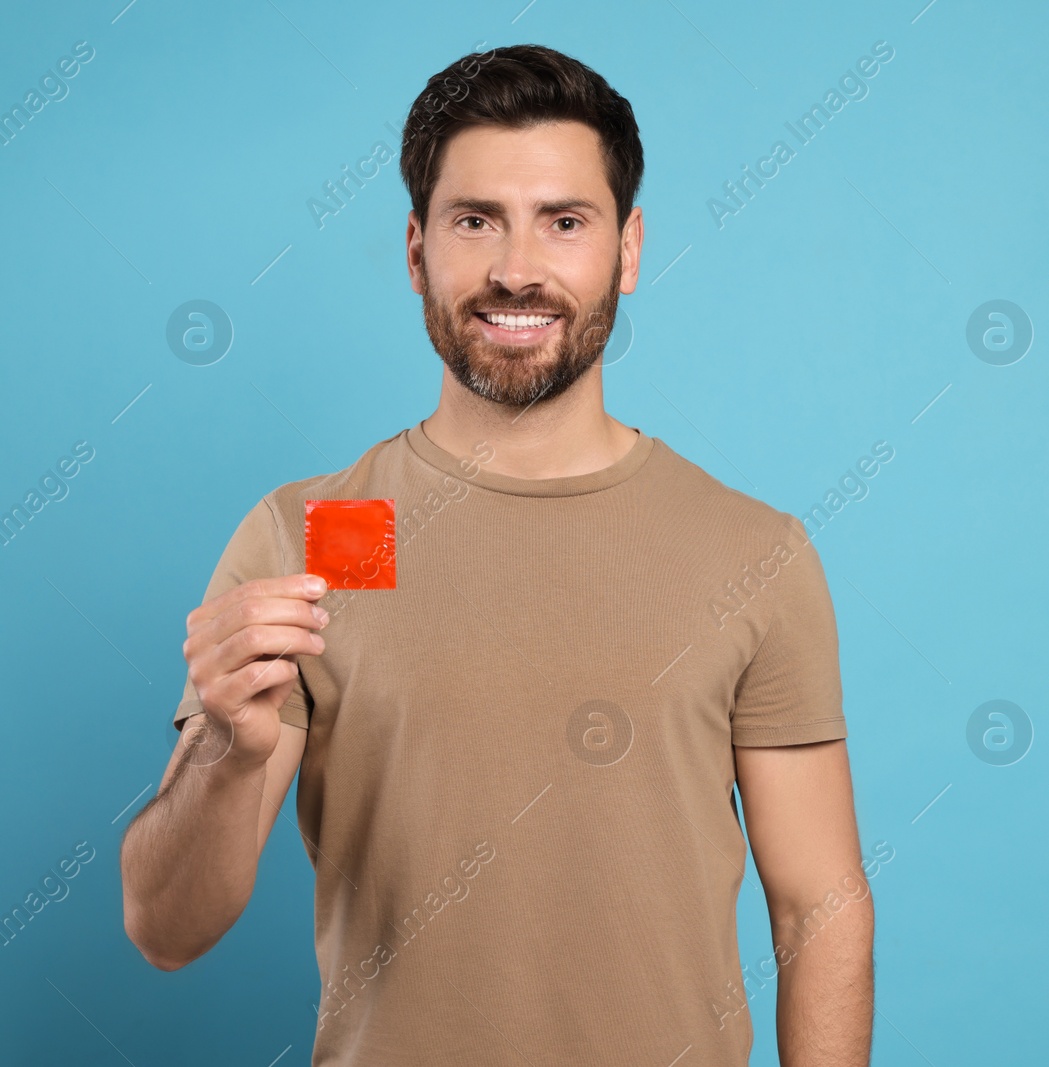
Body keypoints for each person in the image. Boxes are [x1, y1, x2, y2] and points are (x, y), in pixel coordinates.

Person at [119, 43, 873, 1067]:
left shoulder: (754, 552)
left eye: (564, 222)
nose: (517, 267)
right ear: (417, 251)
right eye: (476, 220)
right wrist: (225, 752)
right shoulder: (317, 537)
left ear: (629, 248)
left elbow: (817, 907)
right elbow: (165, 930)